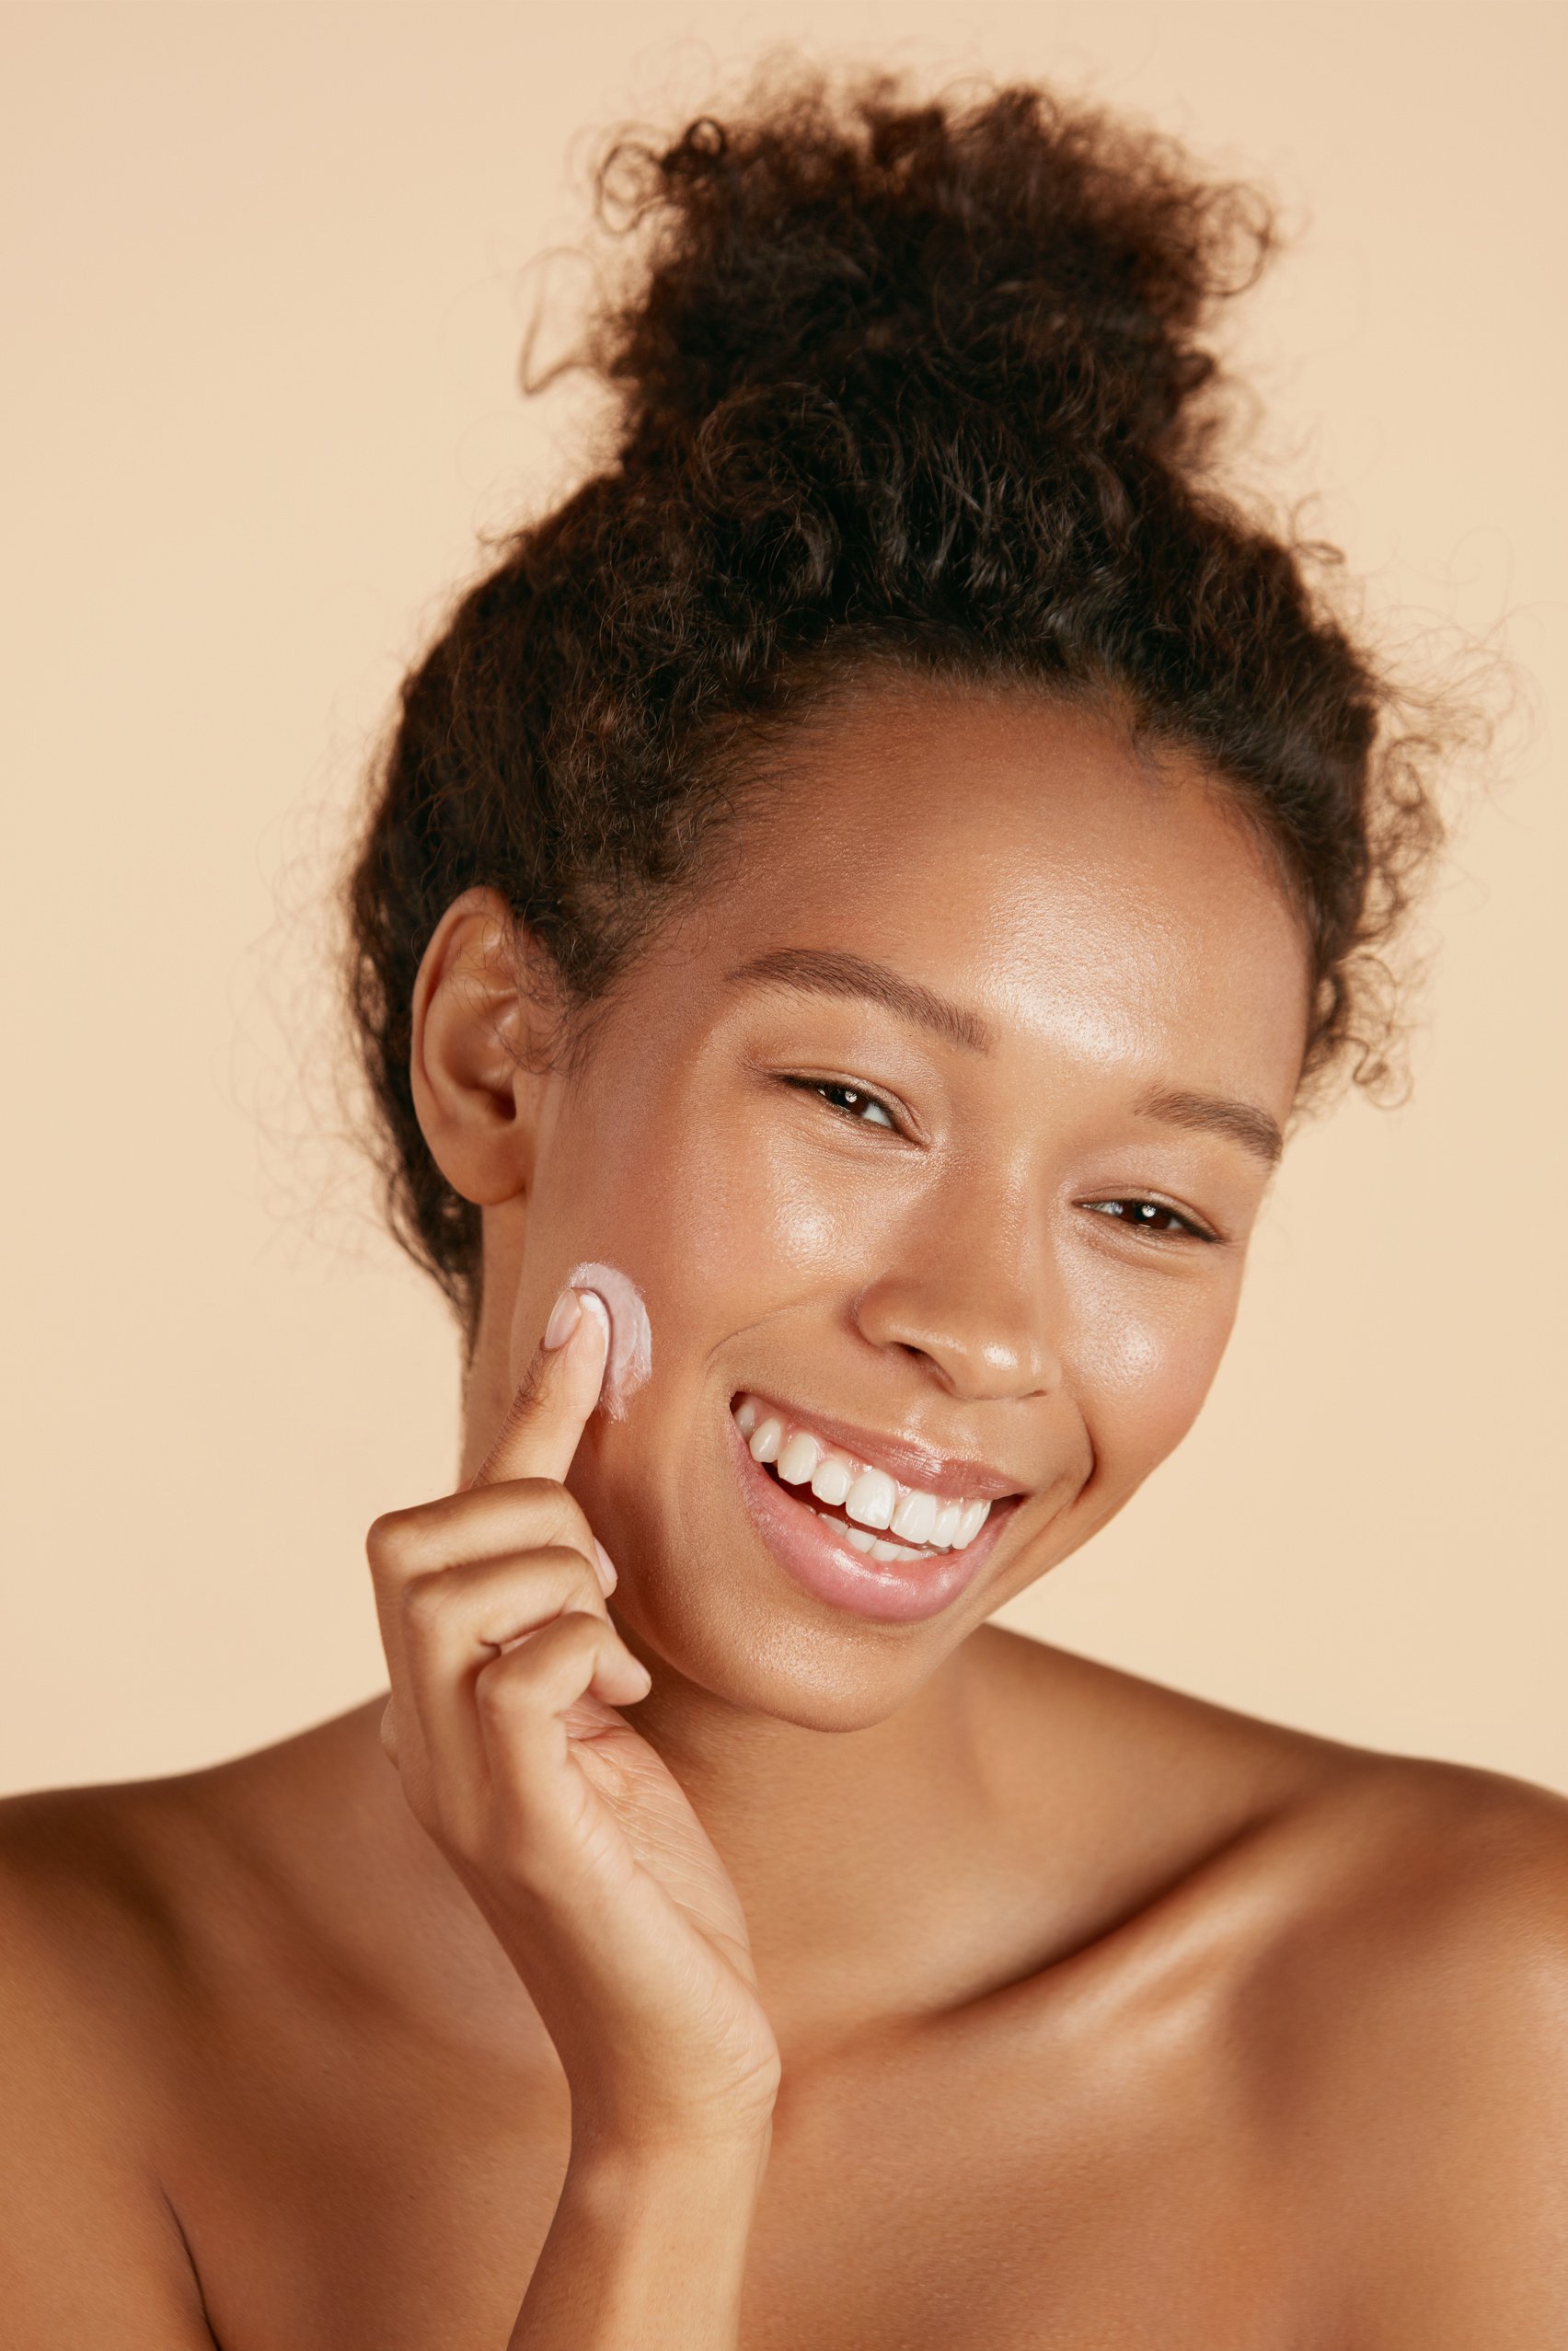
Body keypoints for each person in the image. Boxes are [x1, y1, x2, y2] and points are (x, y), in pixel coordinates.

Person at [2, 71, 1563, 2351]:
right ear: (498, 1057)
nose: (988, 1327)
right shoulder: (63, 2027)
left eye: (1151, 1210)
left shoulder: (1472, 2019)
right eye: (857, 1093)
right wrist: (664, 2140)